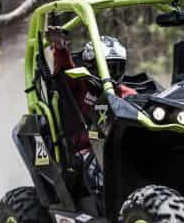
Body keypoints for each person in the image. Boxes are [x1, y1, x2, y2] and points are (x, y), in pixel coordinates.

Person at [50, 31, 136, 207]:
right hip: (86, 149)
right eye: (106, 67)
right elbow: (64, 71)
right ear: (91, 66)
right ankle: (108, 210)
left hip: (121, 148)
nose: (111, 73)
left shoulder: (129, 94)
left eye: (116, 67)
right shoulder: (80, 85)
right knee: (96, 165)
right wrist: (60, 49)